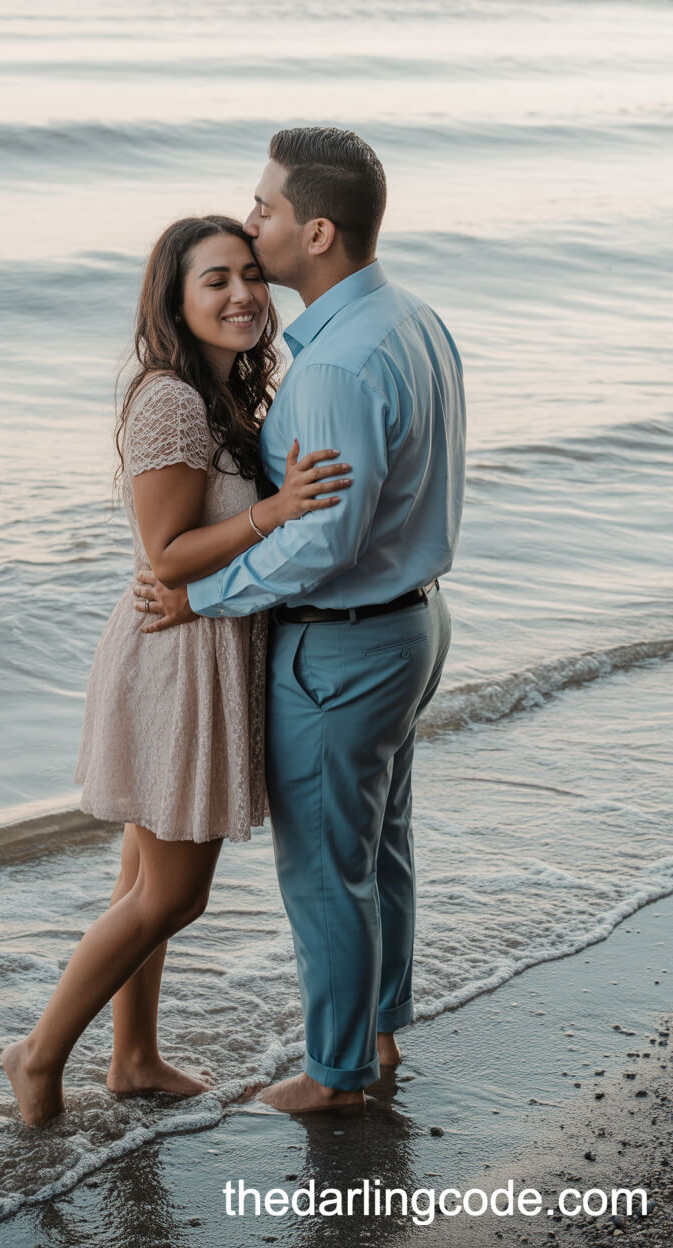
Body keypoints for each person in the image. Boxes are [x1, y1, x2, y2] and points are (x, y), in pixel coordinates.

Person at [135, 128, 466, 1113]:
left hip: (343, 643)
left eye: (266, 208)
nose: (252, 223)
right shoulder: (412, 320)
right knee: (380, 846)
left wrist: (202, 595)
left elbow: (322, 543)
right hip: (411, 626)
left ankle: (336, 1076)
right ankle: (377, 1036)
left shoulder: (331, 370)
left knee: (327, 869)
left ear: (316, 232)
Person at [1, 215, 353, 1126]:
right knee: (173, 894)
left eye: (250, 275)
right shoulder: (172, 400)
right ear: (174, 299)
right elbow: (165, 556)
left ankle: (134, 1059)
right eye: (215, 280)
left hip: (204, 646)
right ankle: (37, 1056)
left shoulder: (222, 390)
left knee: (141, 882)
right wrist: (275, 511)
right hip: (176, 656)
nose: (243, 294)